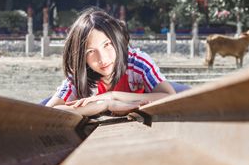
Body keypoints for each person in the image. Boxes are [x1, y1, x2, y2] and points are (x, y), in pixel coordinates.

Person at [46, 7, 178, 116]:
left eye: (107, 44)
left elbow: (169, 96)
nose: (102, 59)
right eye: (90, 51)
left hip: (159, 87)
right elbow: (48, 112)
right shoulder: (81, 74)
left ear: (117, 40)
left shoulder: (137, 62)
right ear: (81, 57)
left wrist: (113, 95)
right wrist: (105, 104)